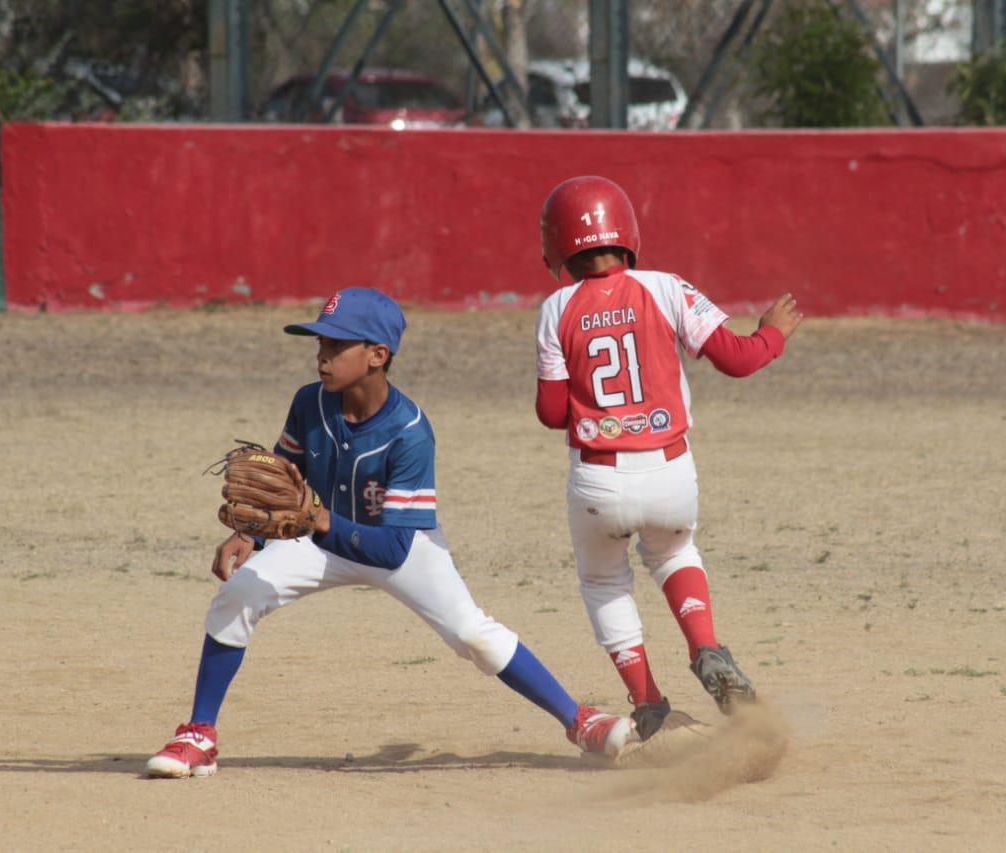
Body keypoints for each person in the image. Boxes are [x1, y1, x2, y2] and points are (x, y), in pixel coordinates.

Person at [147, 286, 636, 778]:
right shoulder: (309, 403)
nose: (322, 356)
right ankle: (199, 734)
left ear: (377, 356)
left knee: (473, 634)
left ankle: (580, 721)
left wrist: (319, 520)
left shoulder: (410, 433)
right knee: (239, 595)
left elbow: (393, 548)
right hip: (320, 538)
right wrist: (249, 533)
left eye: (337, 346)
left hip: (399, 544)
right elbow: (284, 473)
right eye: (320, 344)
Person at [532, 176, 803, 741]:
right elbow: (739, 360)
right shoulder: (665, 287)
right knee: (674, 551)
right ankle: (705, 646)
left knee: (605, 583)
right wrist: (772, 335)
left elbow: (552, 411)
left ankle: (650, 704)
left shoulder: (555, 308)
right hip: (669, 468)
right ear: (626, 231)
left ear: (557, 243)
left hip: (598, 478)